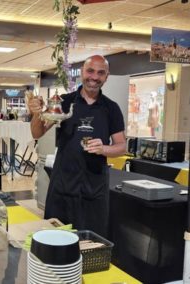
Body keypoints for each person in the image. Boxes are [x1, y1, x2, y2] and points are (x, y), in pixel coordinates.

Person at [28, 55, 126, 237]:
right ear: (82, 72)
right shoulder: (64, 102)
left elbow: (121, 146)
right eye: (90, 71)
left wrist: (104, 148)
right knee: (55, 240)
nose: (94, 77)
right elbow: (37, 133)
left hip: (94, 188)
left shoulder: (111, 108)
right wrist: (35, 114)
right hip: (63, 185)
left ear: (107, 76)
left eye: (100, 73)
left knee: (90, 243)